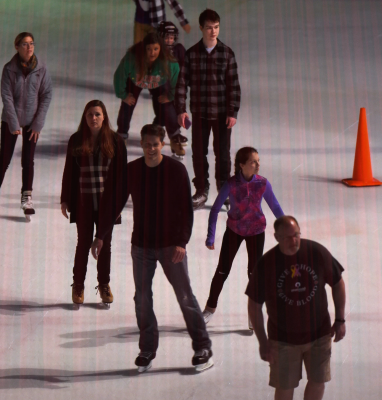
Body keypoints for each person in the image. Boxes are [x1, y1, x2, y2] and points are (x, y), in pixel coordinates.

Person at [93, 124, 213, 373]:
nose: (150, 149)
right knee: (142, 299)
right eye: (146, 144)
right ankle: (147, 348)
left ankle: (203, 346)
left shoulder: (176, 170)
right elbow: (114, 202)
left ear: (163, 144)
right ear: (141, 144)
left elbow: (185, 210)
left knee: (185, 296)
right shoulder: (133, 170)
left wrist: (182, 242)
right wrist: (101, 235)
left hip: (171, 246)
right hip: (142, 246)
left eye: (155, 144)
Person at [247, 216, 346, 400]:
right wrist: (263, 341)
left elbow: (338, 282)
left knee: (318, 381)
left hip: (319, 335)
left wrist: (340, 320)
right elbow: (254, 305)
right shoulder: (266, 264)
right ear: (276, 237)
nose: (294, 241)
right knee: (285, 387)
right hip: (283, 340)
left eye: (296, 235)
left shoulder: (316, 252)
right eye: (287, 237)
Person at [202, 147, 285, 326]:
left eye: (258, 160)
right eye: (253, 162)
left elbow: (275, 207)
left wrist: (287, 228)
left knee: (254, 274)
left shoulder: (262, 183)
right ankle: (210, 308)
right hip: (235, 230)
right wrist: (211, 236)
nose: (258, 165)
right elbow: (215, 209)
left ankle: (253, 312)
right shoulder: (231, 184)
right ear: (242, 165)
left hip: (256, 232)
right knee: (222, 270)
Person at [60, 100, 127, 307]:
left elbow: (122, 178)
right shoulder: (77, 139)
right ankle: (78, 284)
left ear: (104, 116)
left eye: (97, 114)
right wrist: (65, 198)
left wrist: (117, 206)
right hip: (84, 202)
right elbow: (69, 171)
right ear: (85, 117)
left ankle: (104, 284)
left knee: (105, 245)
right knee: (83, 244)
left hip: (108, 204)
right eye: (90, 114)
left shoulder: (116, 141)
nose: (94, 118)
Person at [175, 9, 242, 209]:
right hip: (201, 113)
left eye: (216, 27)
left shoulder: (227, 53)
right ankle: (201, 189)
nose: (213, 32)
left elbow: (233, 85)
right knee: (198, 153)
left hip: (222, 114)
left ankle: (224, 189)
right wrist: (181, 109)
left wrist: (232, 111)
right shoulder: (191, 54)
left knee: (223, 153)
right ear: (201, 28)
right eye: (209, 28)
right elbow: (181, 83)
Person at [0, 32, 53, 221]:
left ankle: (27, 196)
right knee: (4, 159)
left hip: (32, 121)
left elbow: (46, 94)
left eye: (32, 43)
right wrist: (13, 123)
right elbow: (6, 96)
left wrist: (38, 123)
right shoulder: (9, 69)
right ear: (17, 47)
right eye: (24, 44)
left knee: (28, 160)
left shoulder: (41, 69)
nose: (29, 47)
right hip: (10, 120)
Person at [113, 32, 181, 144]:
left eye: (155, 49)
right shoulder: (132, 58)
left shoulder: (168, 61)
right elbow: (119, 76)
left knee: (166, 104)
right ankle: (121, 134)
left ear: (161, 49)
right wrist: (123, 95)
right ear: (143, 48)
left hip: (158, 83)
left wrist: (171, 95)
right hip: (136, 81)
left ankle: (175, 135)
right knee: (127, 104)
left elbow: (177, 80)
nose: (152, 53)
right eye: (149, 49)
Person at [159, 21, 189, 159]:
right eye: (166, 37)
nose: (169, 40)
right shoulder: (157, 49)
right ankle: (174, 137)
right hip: (163, 88)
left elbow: (185, 66)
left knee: (176, 111)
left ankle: (156, 132)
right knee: (168, 110)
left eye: (171, 37)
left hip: (177, 87)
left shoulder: (179, 49)